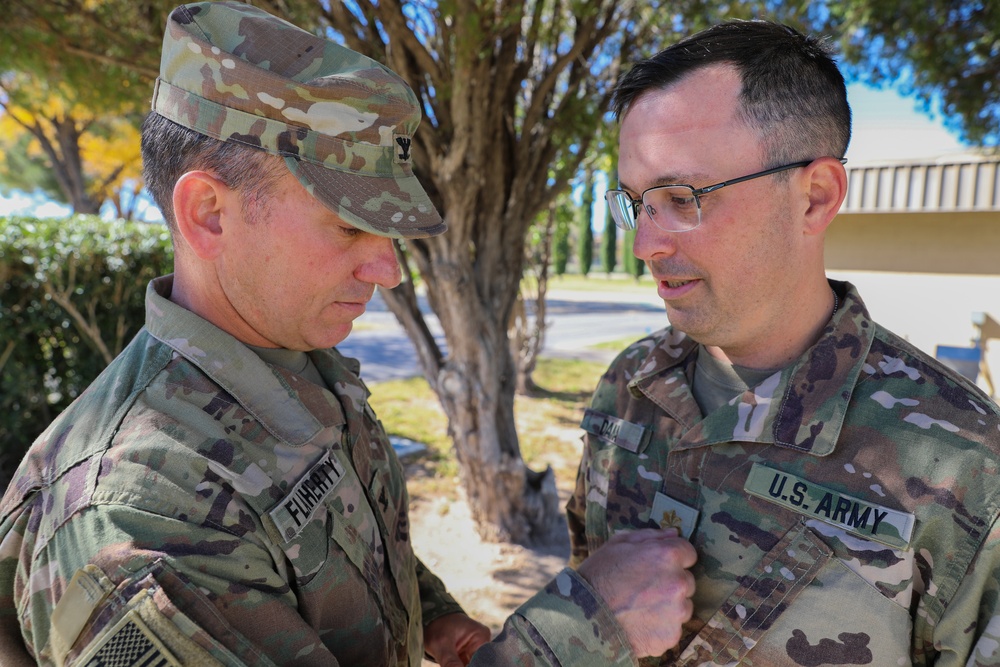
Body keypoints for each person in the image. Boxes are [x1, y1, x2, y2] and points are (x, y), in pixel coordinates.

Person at [0, 2, 697, 666]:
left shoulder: (292, 359)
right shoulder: (142, 516)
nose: (386, 267)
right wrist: (585, 627)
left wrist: (426, 610)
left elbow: (334, 531)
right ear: (209, 212)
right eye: (349, 225)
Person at [566, 18, 1000, 667]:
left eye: (682, 197)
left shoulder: (967, 462)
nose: (644, 245)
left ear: (814, 196)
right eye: (636, 202)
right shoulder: (630, 385)